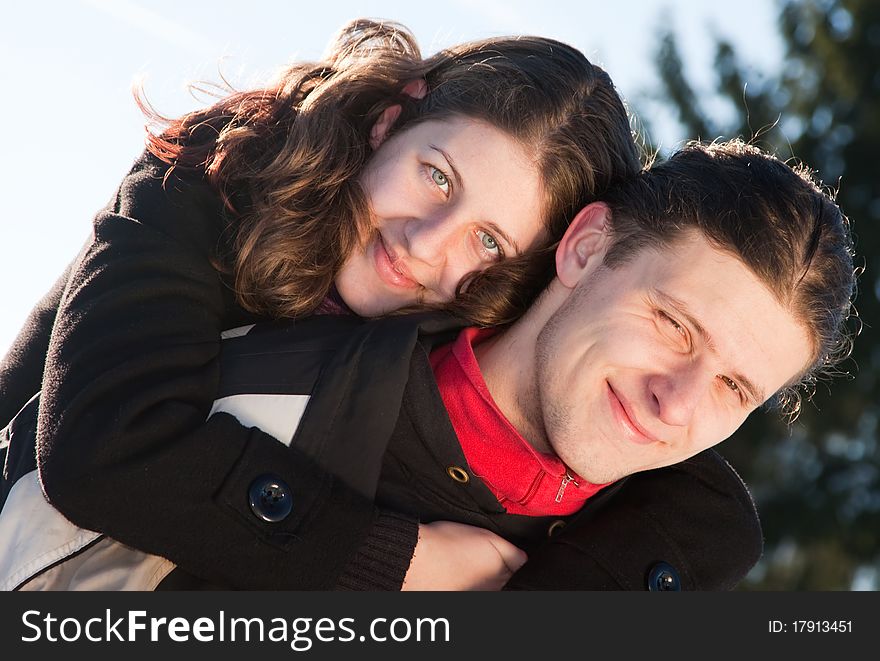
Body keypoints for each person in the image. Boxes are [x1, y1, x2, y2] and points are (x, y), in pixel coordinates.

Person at [1, 139, 856, 591]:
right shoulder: (257, 385)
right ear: (587, 247)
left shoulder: (651, 547)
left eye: (735, 388)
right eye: (672, 324)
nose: (678, 403)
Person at [0, 19, 642, 588]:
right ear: (390, 120)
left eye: (488, 241)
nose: (423, 245)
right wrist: (391, 561)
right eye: (437, 175)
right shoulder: (216, 169)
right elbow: (102, 448)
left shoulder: (478, 338)